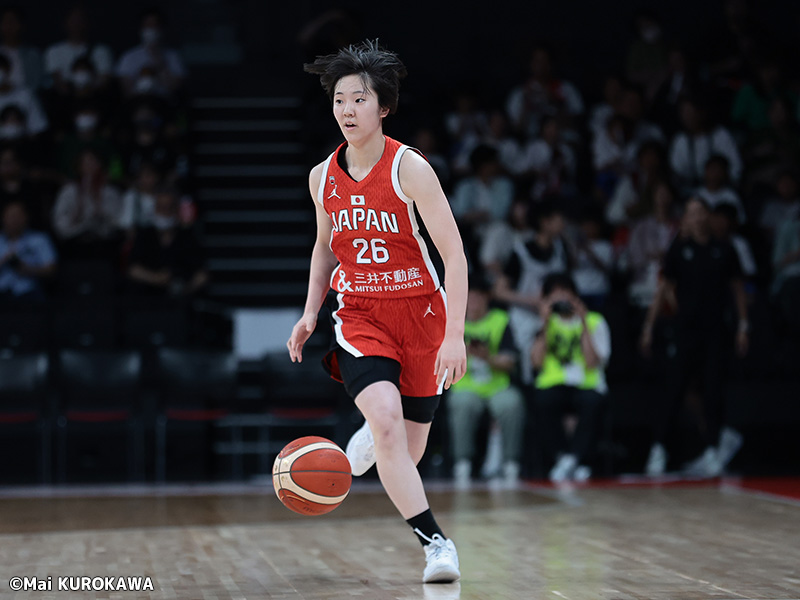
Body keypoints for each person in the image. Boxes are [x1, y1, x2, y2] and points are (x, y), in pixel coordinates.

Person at [287, 41, 467, 584]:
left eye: (359, 99)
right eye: (339, 99)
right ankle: (436, 544)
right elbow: (324, 248)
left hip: (423, 316)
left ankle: (375, 435)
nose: (347, 109)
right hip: (361, 315)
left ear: (383, 107)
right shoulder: (322, 177)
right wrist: (310, 312)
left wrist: (454, 335)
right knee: (387, 423)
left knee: (408, 450)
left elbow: (454, 255)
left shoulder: (410, 168)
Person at [641, 198, 749, 477]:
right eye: (690, 213)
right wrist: (649, 326)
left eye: (700, 212)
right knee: (674, 388)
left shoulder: (724, 249)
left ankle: (713, 450)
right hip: (684, 330)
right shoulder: (679, 249)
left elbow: (738, 289)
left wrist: (743, 325)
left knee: (713, 390)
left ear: (708, 216)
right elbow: (663, 288)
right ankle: (659, 449)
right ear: (685, 219)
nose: (696, 217)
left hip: (716, 331)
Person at [531, 272, 611, 482]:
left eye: (566, 294)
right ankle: (563, 458)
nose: (562, 301)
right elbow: (536, 362)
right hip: (555, 383)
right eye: (555, 296)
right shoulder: (545, 323)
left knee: (591, 402)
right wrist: (545, 323)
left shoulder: (595, 321)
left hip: (586, 383)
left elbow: (592, 362)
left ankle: (574, 459)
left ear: (576, 297)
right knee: (544, 400)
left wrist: (582, 321)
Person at [448, 281, 524, 488]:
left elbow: (510, 361)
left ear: (487, 299)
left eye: (478, 297)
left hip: (497, 385)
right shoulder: (452, 320)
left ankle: (510, 462)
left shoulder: (501, 320)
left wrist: (486, 357)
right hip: (465, 385)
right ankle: (462, 462)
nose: (473, 302)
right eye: (470, 297)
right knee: (462, 404)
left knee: (511, 404)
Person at [493, 201, 571, 384]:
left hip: (555, 315)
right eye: (559, 219)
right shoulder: (521, 251)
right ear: (544, 222)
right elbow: (499, 291)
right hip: (524, 317)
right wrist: (533, 301)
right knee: (527, 361)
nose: (563, 224)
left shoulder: (561, 249)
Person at [127, 187, 207, 296]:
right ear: (154, 208)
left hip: (179, 297)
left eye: (169, 207)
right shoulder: (144, 235)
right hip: (146, 297)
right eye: (160, 207)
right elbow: (133, 269)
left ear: (176, 209)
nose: (165, 212)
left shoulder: (187, 237)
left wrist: (185, 290)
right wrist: (155, 278)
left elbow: (202, 275)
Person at [115, 7, 186, 98]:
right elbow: (127, 90)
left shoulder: (173, 56)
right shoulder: (128, 56)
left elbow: (174, 87)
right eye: (147, 25)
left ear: (161, 29)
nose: (151, 29)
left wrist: (157, 58)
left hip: (163, 101)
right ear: (141, 28)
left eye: (154, 25)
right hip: (138, 101)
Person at [0, 200, 56, 302]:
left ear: (26, 217)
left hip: (29, 291)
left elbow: (51, 270)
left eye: (18, 216)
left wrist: (28, 269)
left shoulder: (39, 239)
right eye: (10, 216)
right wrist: (4, 260)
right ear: (3, 218)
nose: (14, 220)